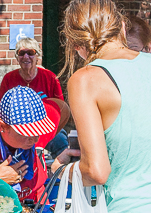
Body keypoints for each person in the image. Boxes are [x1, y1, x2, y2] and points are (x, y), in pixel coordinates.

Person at [55, 0, 151, 211]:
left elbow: (96, 171)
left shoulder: (86, 79)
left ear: (76, 44)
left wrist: (61, 170)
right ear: (123, 27)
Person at [0, 37, 68, 158]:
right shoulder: (9, 78)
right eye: (21, 53)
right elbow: (0, 107)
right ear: (17, 58)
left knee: (61, 141)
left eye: (30, 53)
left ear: (37, 56)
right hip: (18, 128)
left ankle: (61, 172)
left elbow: (60, 108)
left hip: (45, 127)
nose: (26, 57)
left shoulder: (50, 77)